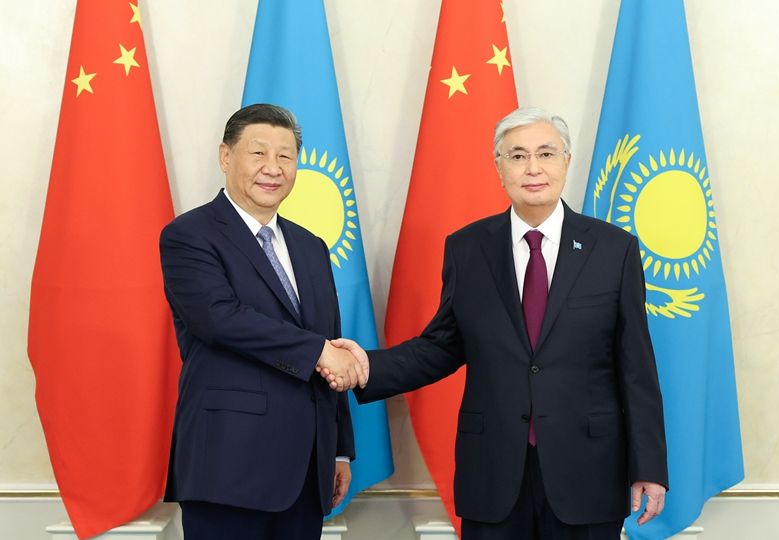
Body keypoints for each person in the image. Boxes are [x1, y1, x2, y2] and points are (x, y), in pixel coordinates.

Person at [332, 107, 668, 539]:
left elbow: (637, 366)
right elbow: (443, 345)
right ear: (499, 168)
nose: (533, 168)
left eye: (546, 153)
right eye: (517, 156)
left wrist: (649, 467)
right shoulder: (468, 248)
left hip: (588, 470)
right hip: (493, 471)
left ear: (567, 162)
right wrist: (366, 366)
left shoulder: (614, 249)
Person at [159, 103, 366, 540]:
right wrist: (318, 351)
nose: (273, 168)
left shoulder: (311, 247)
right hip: (227, 467)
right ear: (225, 156)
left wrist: (339, 450)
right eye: (258, 153)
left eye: (285, 156)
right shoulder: (189, 235)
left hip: (307, 470)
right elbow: (219, 318)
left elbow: (330, 342)